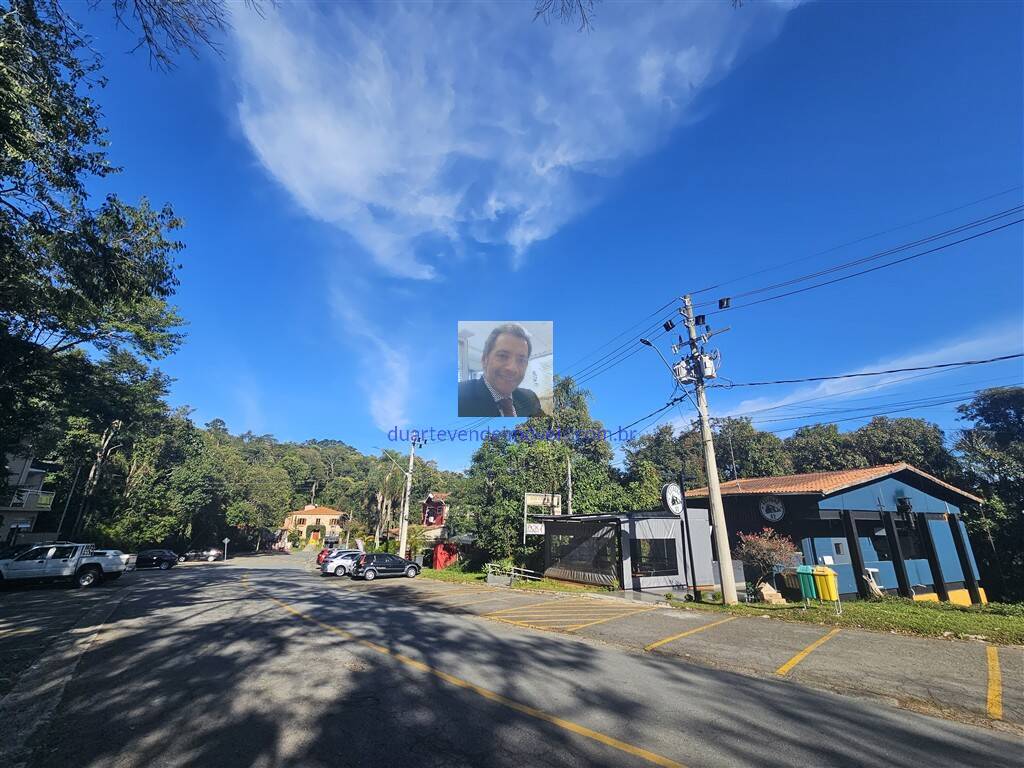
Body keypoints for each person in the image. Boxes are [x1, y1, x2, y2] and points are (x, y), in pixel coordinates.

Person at [458, 323, 543, 417]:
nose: (512, 368)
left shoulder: (530, 399)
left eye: (521, 360)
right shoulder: (457, 397)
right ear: (484, 360)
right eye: (502, 356)